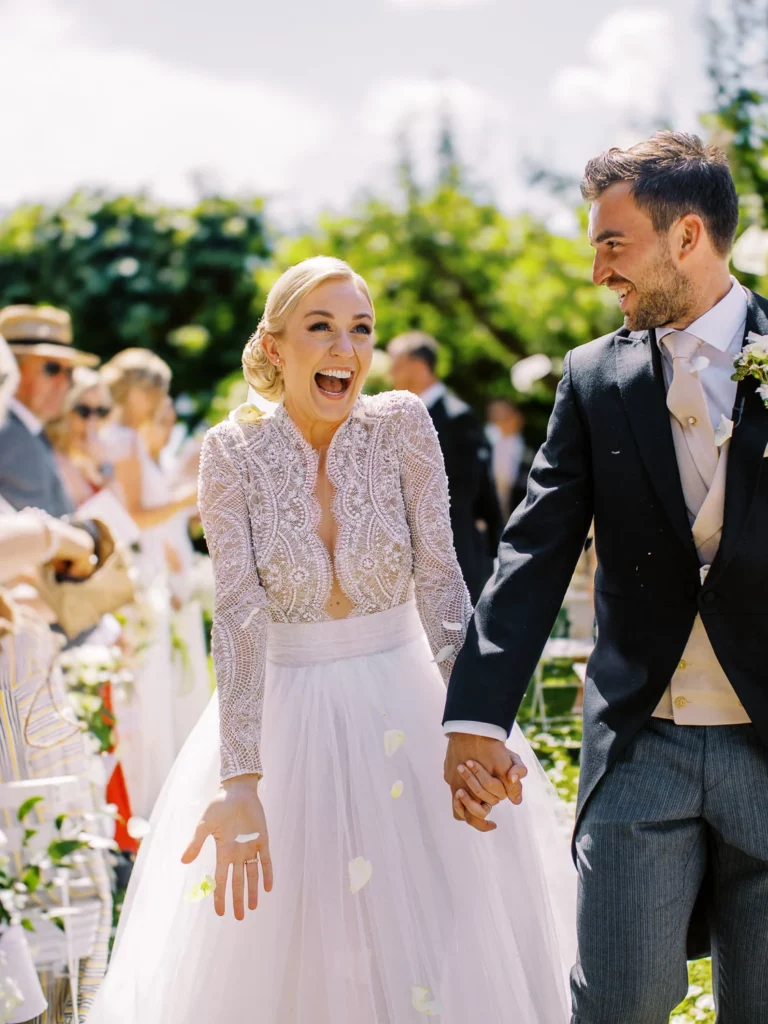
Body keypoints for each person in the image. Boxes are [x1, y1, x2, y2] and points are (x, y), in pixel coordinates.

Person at [87, 257, 576, 1024]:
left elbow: (444, 589)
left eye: (361, 329)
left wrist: (475, 719)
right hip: (289, 726)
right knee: (309, 962)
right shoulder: (231, 454)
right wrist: (239, 779)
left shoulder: (404, 423)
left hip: (412, 707)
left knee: (437, 943)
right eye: (321, 327)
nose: (346, 348)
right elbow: (240, 617)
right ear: (275, 346)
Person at [443, 132, 768, 1023]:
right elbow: (535, 546)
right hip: (642, 743)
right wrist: (478, 716)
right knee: (616, 1003)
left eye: (612, 244)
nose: (598, 272)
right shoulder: (593, 377)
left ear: (688, 236)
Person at [100, 349, 197, 818]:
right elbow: (136, 515)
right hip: (140, 578)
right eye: (154, 390)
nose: (159, 401)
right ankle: (146, 801)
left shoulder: (125, 438)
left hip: (155, 576)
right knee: (145, 687)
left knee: (155, 685)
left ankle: (154, 797)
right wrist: (188, 499)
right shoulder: (121, 440)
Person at [387, 332, 502, 602]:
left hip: (453, 554)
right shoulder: (397, 416)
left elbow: (474, 491)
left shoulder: (455, 417)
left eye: (396, 363)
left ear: (417, 366)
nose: (391, 372)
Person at [141, 395, 210, 752]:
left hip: (180, 588)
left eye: (170, 422)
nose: (168, 431)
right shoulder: (143, 466)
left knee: (189, 684)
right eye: (161, 421)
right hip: (158, 588)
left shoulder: (162, 463)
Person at [0, 305, 99, 516]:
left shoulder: (30, 430)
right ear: (15, 369)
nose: (64, 383)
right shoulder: (7, 432)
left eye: (69, 371)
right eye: (52, 368)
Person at [46, 366, 113, 508]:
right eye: (84, 411)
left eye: (100, 411)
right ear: (64, 408)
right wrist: (105, 467)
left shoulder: (83, 461)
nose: (92, 421)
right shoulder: (54, 457)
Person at [486, 397, 534, 521]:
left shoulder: (532, 451)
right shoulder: (484, 447)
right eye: (496, 417)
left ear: (518, 417)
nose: (502, 422)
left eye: (506, 416)